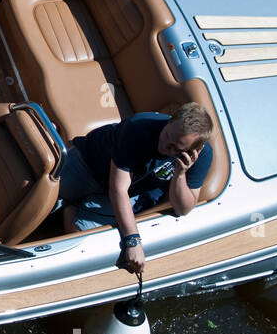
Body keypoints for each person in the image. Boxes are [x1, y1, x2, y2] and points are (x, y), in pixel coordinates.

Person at [57, 102, 215, 274]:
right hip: (88, 164)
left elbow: (183, 209)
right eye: (167, 135)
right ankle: (69, 200)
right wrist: (132, 241)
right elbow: (118, 189)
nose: (165, 146)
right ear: (170, 120)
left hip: (132, 190)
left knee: (82, 238)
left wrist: (180, 173)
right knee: (40, 195)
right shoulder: (137, 127)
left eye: (176, 147)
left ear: (194, 150)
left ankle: (70, 206)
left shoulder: (203, 156)